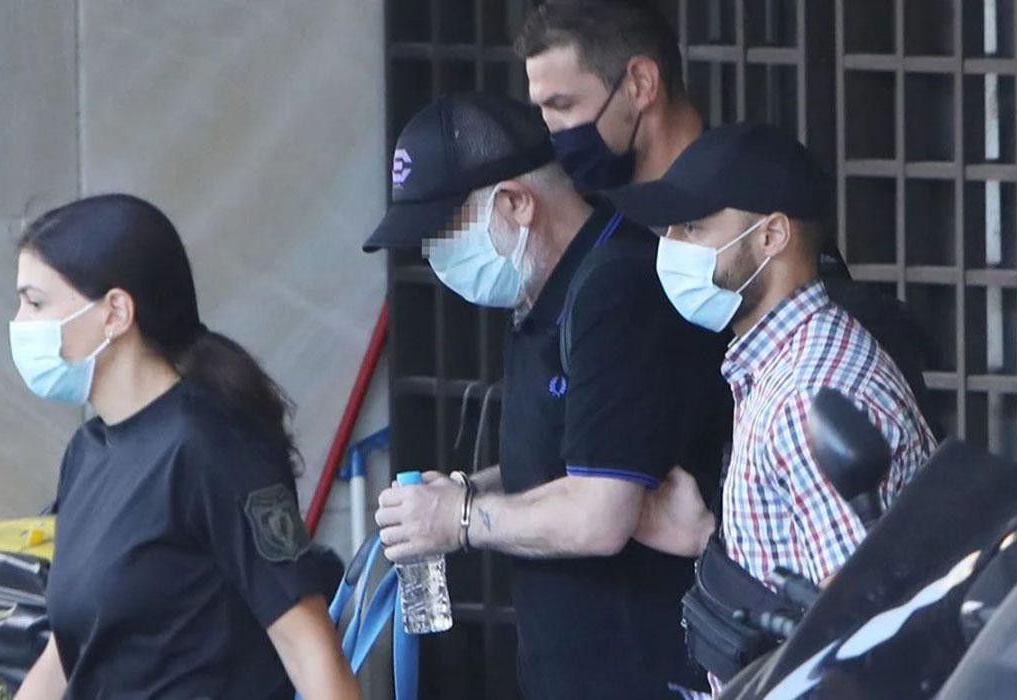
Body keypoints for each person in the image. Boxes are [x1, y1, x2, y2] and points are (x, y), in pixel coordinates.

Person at [365, 93, 730, 699]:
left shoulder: (615, 289)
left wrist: (458, 519)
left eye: (443, 232)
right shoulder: (540, 291)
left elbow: (598, 518)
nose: (433, 256)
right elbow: (567, 459)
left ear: (515, 203)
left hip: (642, 672)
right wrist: (466, 489)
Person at [605, 123, 937, 693]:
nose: (671, 247)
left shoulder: (805, 394)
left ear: (771, 236)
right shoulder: (788, 357)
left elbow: (859, 637)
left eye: (694, 227)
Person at [515, 0, 945, 439]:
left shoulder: (757, 219)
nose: (551, 128)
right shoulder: (608, 231)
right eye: (542, 110)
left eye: (563, 104)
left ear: (641, 83)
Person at [11, 195, 360, 700]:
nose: (21, 323)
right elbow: (69, 654)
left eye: (36, 303)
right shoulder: (87, 451)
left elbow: (309, 648)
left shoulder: (213, 445)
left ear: (115, 312)